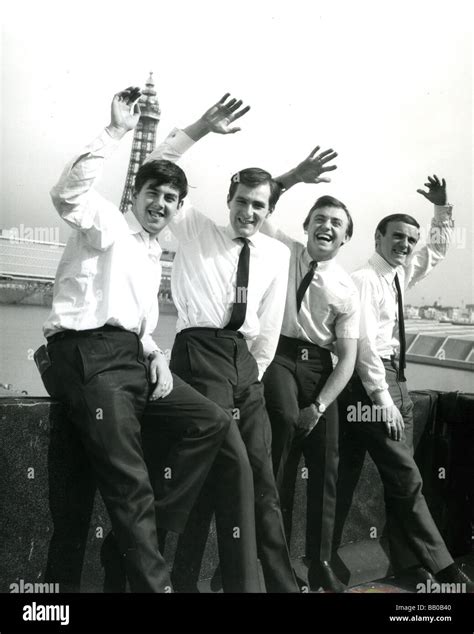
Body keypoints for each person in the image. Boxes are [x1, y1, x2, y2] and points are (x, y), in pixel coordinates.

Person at [39, 87, 231, 592]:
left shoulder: (151, 255)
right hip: (84, 353)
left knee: (208, 422)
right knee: (129, 478)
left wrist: (158, 357)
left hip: (129, 358)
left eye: (171, 200)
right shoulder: (104, 223)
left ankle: (134, 536)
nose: (161, 204)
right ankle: (153, 584)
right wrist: (114, 132)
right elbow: (67, 194)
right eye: (153, 194)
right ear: (135, 195)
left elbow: (140, 326)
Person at [143, 96, 300, 592]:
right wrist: (199, 129)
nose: (247, 212)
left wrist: (250, 371)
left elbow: (269, 326)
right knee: (229, 470)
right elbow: (156, 168)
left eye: (259, 205)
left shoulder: (276, 255)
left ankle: (276, 584)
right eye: (241, 202)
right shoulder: (194, 230)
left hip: (244, 366)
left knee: (263, 478)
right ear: (227, 201)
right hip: (198, 352)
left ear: (269, 209)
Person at [338, 175, 473, 590]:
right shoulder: (364, 279)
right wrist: (384, 400)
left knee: (401, 481)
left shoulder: (397, 275)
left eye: (409, 240)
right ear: (378, 238)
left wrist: (441, 210)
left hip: (396, 382)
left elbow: (435, 250)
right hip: (376, 386)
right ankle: (449, 572)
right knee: (410, 481)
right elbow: (364, 348)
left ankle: (411, 563)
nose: (405, 245)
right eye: (397, 236)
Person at [261, 165, 360, 592]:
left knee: (326, 462)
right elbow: (263, 209)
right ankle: (273, 562)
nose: (327, 226)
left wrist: (319, 406)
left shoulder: (347, 288)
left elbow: (348, 359)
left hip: (322, 369)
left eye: (336, 224)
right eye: (319, 219)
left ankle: (319, 562)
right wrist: (293, 178)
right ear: (305, 227)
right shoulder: (283, 249)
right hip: (279, 356)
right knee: (282, 424)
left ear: (345, 238)